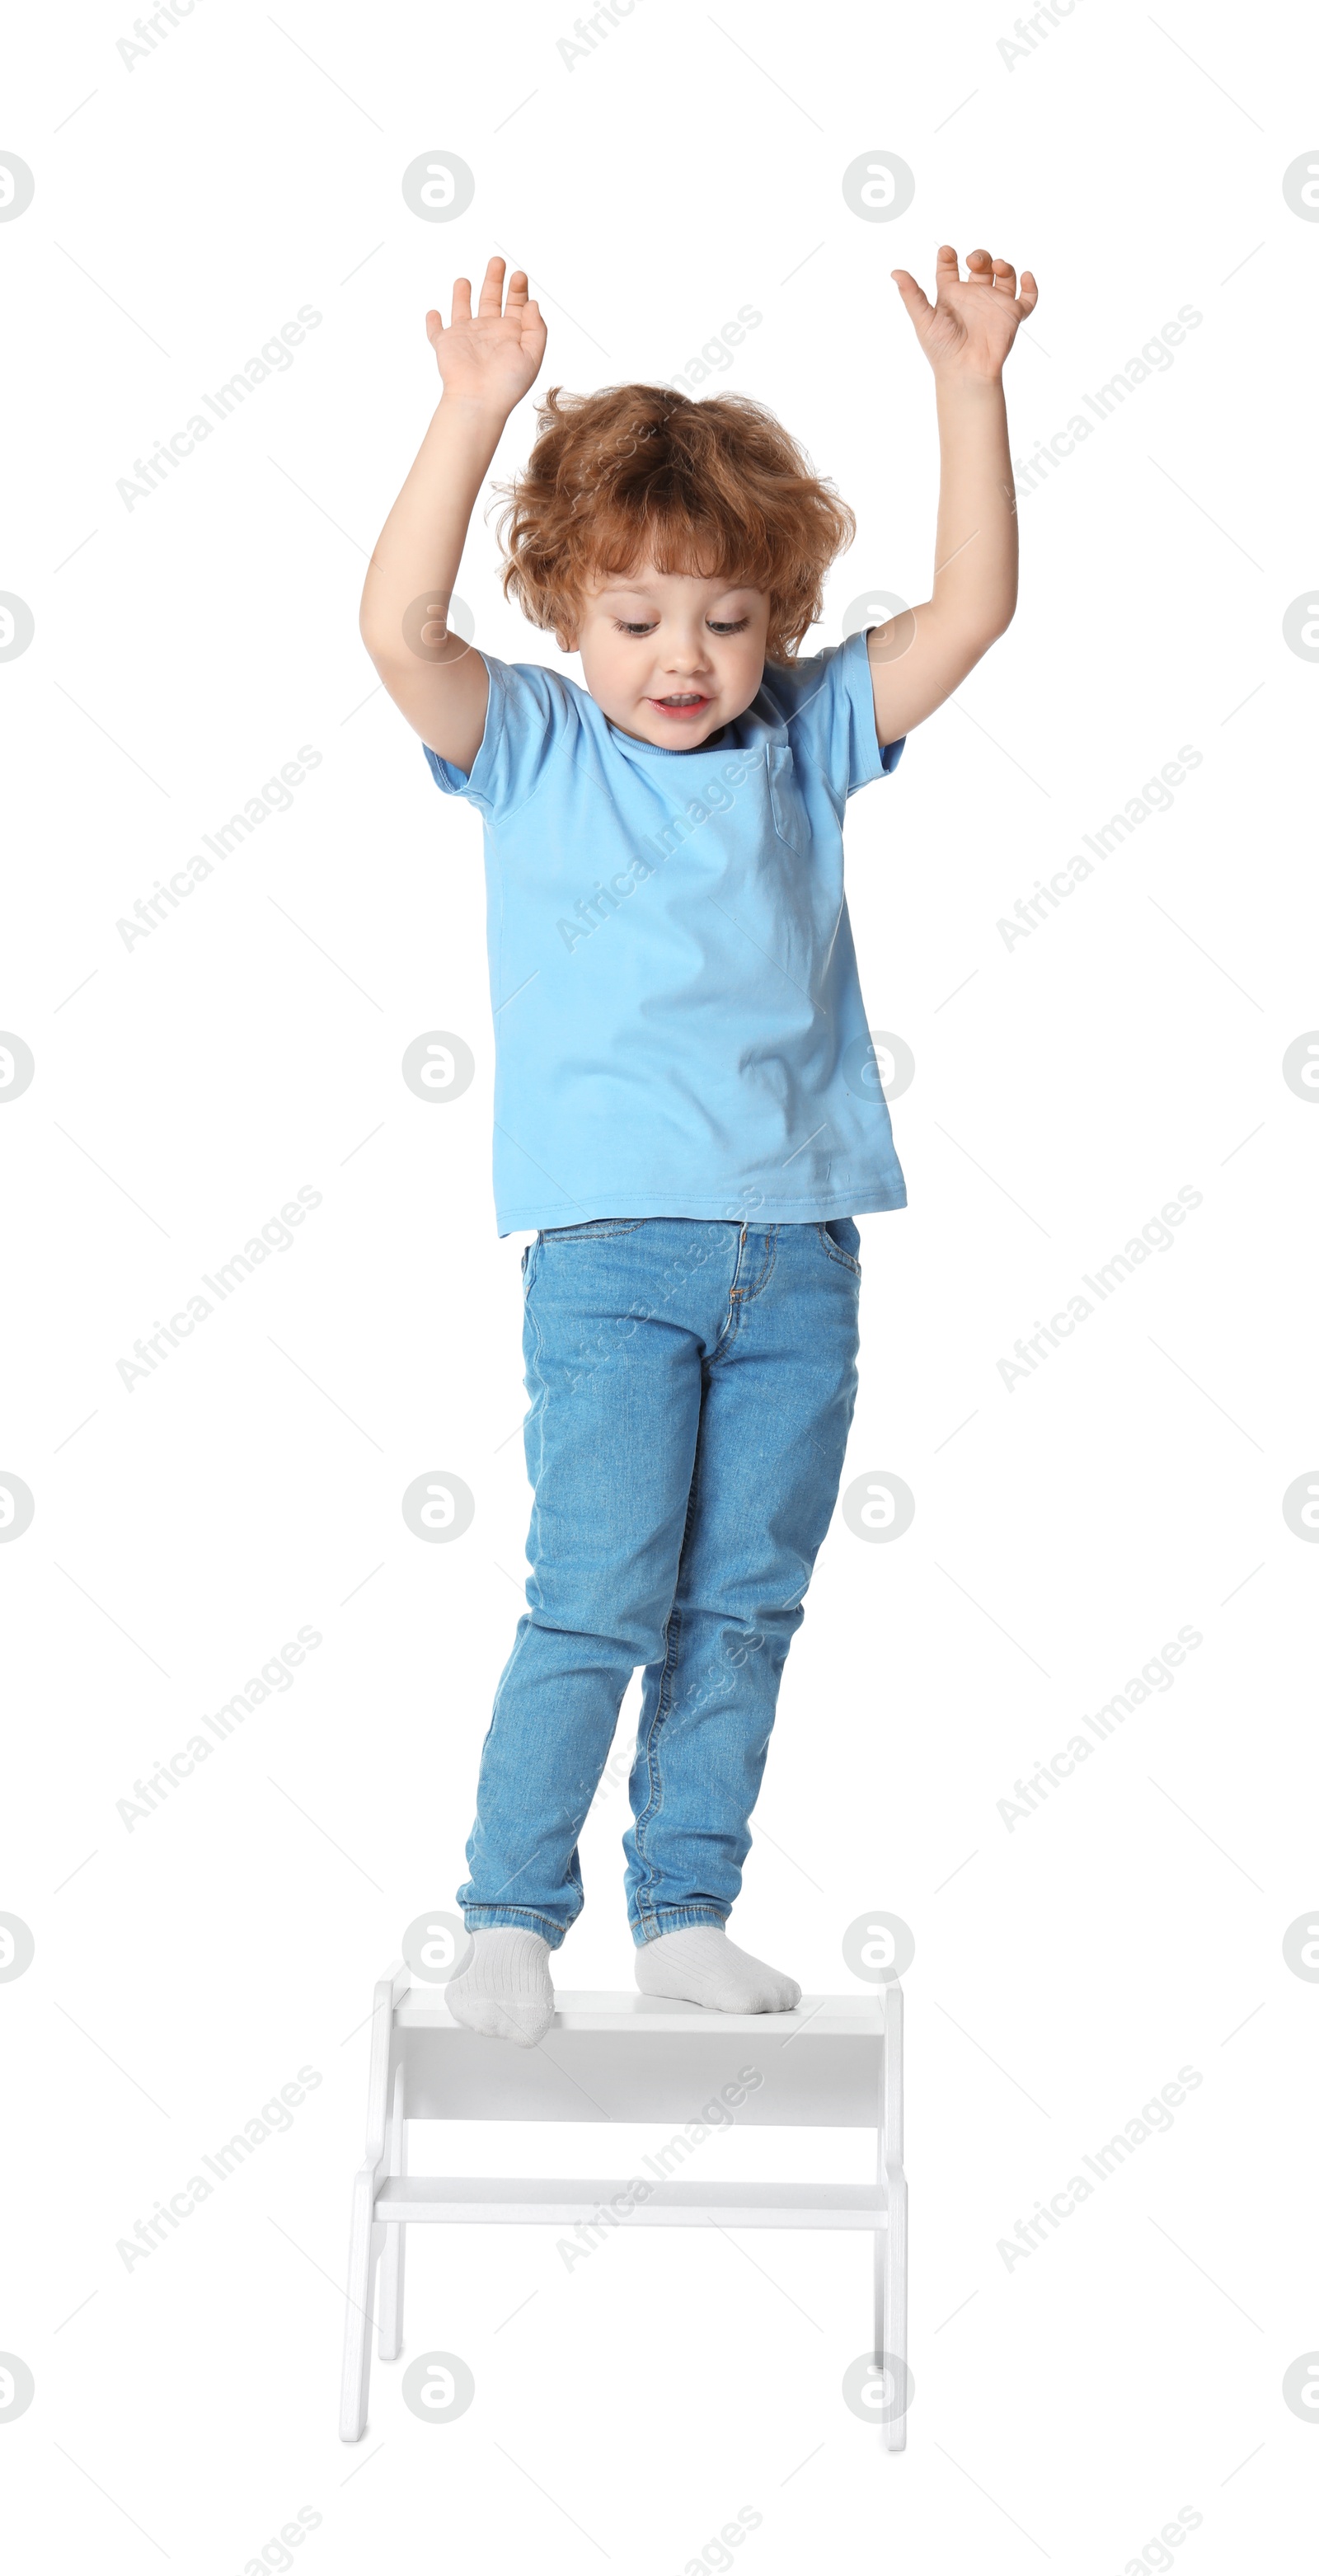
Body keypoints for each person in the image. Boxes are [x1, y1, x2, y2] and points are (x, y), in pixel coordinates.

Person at [360, 246, 1036, 2043]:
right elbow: (399, 635)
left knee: (740, 1601)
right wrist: (471, 408)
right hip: (610, 1256)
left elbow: (965, 614)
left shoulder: (806, 736)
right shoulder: (521, 744)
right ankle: (507, 1912)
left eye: (726, 619)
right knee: (591, 1591)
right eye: (641, 617)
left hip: (799, 1251)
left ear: (780, 624)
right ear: (570, 620)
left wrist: (968, 391)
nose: (684, 658)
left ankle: (682, 1910)